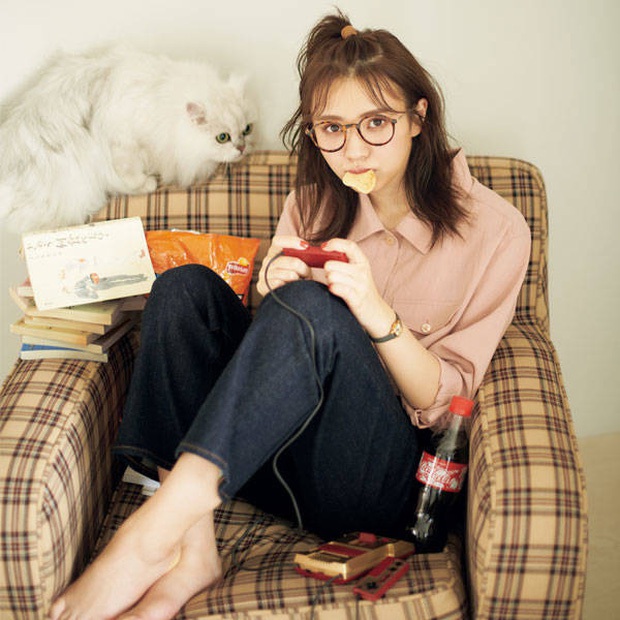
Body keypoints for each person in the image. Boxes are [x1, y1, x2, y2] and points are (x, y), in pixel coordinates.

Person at [49, 10, 530, 620]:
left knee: (313, 306)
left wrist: (373, 311)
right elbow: (273, 360)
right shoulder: (310, 202)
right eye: (332, 129)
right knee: (183, 289)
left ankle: (155, 528)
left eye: (376, 123)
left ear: (418, 117)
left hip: (370, 486)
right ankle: (191, 548)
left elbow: (444, 406)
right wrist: (269, 292)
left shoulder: (496, 231)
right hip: (263, 463)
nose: (353, 149)